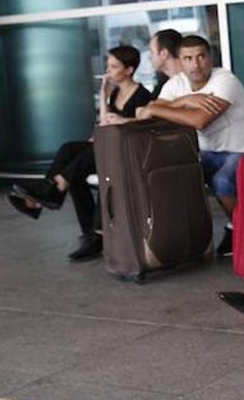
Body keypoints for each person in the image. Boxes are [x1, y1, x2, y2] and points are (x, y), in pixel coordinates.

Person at [8, 45, 152, 261]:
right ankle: (83, 225)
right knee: (69, 150)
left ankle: (54, 190)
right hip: (107, 148)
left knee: (85, 159)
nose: (109, 71)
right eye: (108, 66)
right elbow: (104, 125)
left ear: (129, 70)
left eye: (114, 66)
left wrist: (118, 124)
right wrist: (103, 95)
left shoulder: (142, 95)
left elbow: (141, 129)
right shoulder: (115, 93)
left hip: (125, 153)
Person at [137, 35, 244, 257]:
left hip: (243, 150)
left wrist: (161, 108)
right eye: (188, 58)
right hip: (205, 153)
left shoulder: (225, 80)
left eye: (201, 57)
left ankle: (243, 231)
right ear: (180, 61)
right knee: (175, 175)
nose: (195, 64)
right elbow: (151, 109)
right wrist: (184, 101)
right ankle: (185, 239)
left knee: (222, 180)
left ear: (210, 58)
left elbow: (199, 120)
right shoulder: (177, 83)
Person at [148, 28, 183, 99]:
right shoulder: (160, 87)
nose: (149, 57)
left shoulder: (193, 81)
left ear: (164, 54)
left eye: (152, 52)